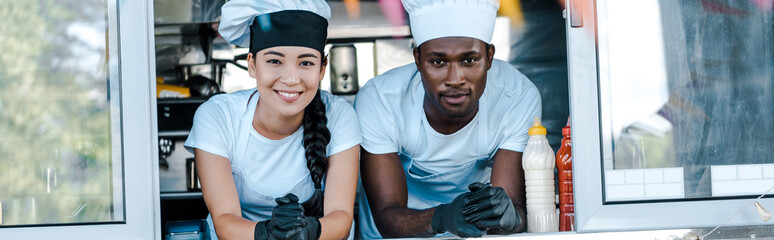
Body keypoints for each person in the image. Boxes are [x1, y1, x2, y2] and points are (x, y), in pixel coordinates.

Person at [355, 0, 541, 238]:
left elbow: (512, 210)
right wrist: (441, 217)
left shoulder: (516, 96)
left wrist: (507, 217)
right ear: (418, 59)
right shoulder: (381, 101)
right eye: (438, 62)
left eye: (469, 60)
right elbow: (387, 216)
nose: (455, 79)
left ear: (490, 57)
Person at [184, 0, 361, 239]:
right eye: (274, 61)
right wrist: (267, 233)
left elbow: (340, 216)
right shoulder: (218, 117)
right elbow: (225, 220)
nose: (290, 79)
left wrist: (310, 231)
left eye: (306, 63)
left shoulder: (339, 116)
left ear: (322, 69)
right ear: (252, 65)